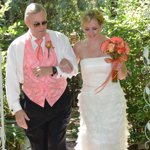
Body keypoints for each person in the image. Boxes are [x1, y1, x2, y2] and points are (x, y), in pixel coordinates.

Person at [5, 3, 78, 150]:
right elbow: (11, 80)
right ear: (27, 22)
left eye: (44, 22)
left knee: (57, 145)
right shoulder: (16, 46)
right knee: (38, 146)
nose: (41, 27)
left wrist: (54, 69)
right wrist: (16, 109)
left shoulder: (60, 39)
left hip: (59, 101)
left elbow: (74, 69)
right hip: (32, 105)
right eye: (36, 24)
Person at [73, 9, 129, 150]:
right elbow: (70, 70)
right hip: (90, 100)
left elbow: (118, 77)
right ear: (82, 28)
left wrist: (119, 64)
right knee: (93, 140)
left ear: (101, 26)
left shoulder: (113, 45)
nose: (91, 33)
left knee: (112, 141)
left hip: (111, 98)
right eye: (87, 29)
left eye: (95, 28)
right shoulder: (79, 47)